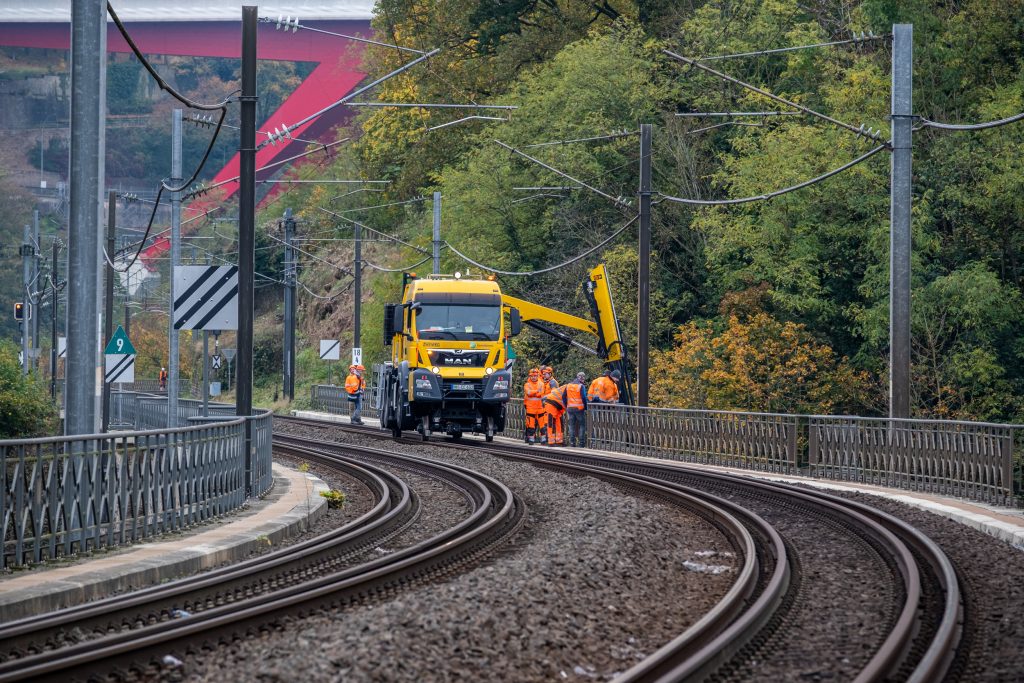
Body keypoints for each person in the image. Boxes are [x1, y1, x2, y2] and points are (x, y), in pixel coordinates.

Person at [564, 372, 588, 447]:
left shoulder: (568, 385)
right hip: (579, 409)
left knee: (571, 426)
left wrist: (566, 405)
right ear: (582, 379)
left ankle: (572, 443)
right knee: (582, 425)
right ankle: (581, 443)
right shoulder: (581, 386)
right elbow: (584, 398)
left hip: (570, 408)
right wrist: (586, 407)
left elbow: (563, 396)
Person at [523, 367, 546, 445]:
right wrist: (536, 391)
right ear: (530, 376)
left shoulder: (541, 384)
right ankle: (531, 440)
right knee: (530, 425)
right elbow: (528, 393)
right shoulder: (527, 384)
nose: (533, 377)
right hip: (530, 409)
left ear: (538, 376)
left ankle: (543, 440)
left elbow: (541, 393)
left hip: (540, 408)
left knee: (542, 425)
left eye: (535, 376)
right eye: (532, 376)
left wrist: (533, 393)